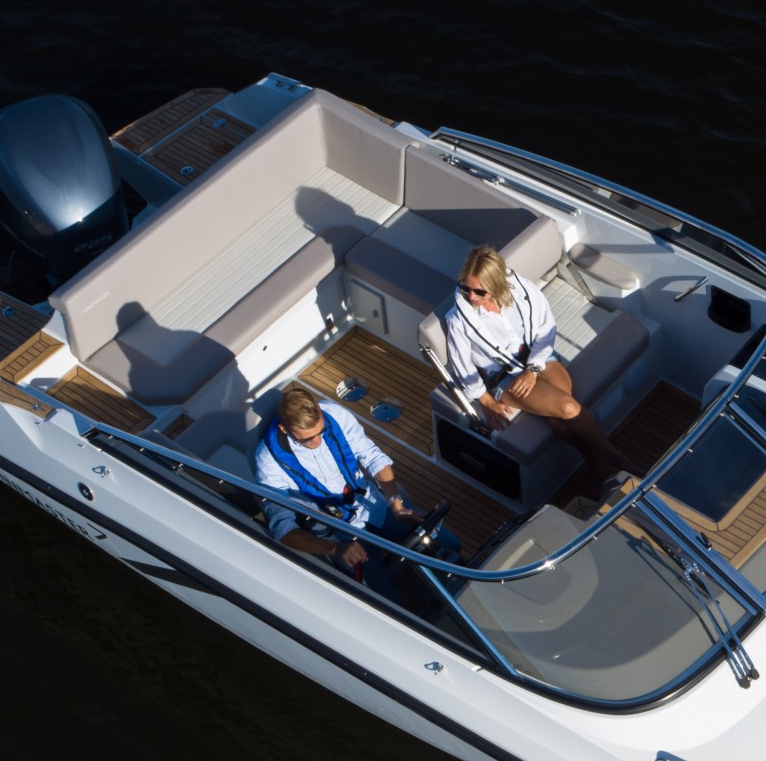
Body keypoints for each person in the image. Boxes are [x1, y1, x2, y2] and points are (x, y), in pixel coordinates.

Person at [441, 244, 634, 486]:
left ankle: (592, 462)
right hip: (505, 377)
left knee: (561, 424)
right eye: (465, 288)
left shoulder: (522, 290)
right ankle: (617, 459)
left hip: (538, 360)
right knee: (568, 407)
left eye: (479, 291)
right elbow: (462, 366)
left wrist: (533, 369)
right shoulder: (459, 319)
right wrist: (487, 402)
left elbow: (545, 329)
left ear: (496, 284)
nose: (471, 297)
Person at [253, 385, 460, 606]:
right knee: (389, 602)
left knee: (451, 543)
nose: (317, 442)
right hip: (339, 532)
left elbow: (373, 458)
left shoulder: (335, 415)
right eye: (307, 440)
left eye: (321, 432)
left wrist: (396, 504)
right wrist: (335, 549)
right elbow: (283, 530)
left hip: (374, 505)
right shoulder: (268, 463)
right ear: (285, 429)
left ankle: (429, 590)